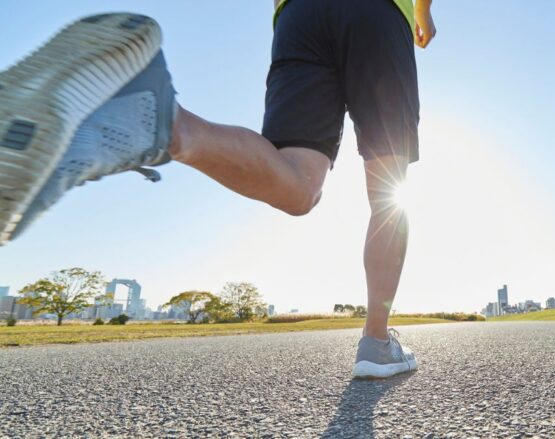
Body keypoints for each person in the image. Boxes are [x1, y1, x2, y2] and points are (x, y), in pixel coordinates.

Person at [0, 0, 435, 378]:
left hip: (298, 16)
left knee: (298, 185)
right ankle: (377, 343)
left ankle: (167, 122)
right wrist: (424, 11)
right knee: (388, 193)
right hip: (377, 12)